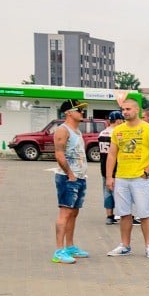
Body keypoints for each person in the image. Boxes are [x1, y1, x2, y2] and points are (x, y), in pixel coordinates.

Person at [105, 99, 149, 258]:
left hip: (140, 179)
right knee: (124, 214)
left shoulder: (148, 129)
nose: (125, 112)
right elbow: (112, 154)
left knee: (145, 214)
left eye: (128, 109)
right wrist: (109, 176)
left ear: (136, 110)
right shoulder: (118, 130)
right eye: (123, 109)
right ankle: (125, 245)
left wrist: (147, 172)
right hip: (122, 178)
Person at [51, 99, 90, 265]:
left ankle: (70, 246)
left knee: (74, 212)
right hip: (68, 178)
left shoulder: (77, 131)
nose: (82, 113)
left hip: (80, 177)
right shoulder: (62, 130)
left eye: (83, 110)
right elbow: (59, 154)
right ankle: (59, 251)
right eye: (79, 110)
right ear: (68, 112)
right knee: (65, 213)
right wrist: (70, 174)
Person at [99, 111, 123, 224]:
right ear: (118, 120)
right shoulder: (117, 134)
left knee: (107, 191)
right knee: (118, 192)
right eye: (122, 120)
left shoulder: (102, 133)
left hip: (104, 167)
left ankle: (109, 215)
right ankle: (120, 214)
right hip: (116, 167)